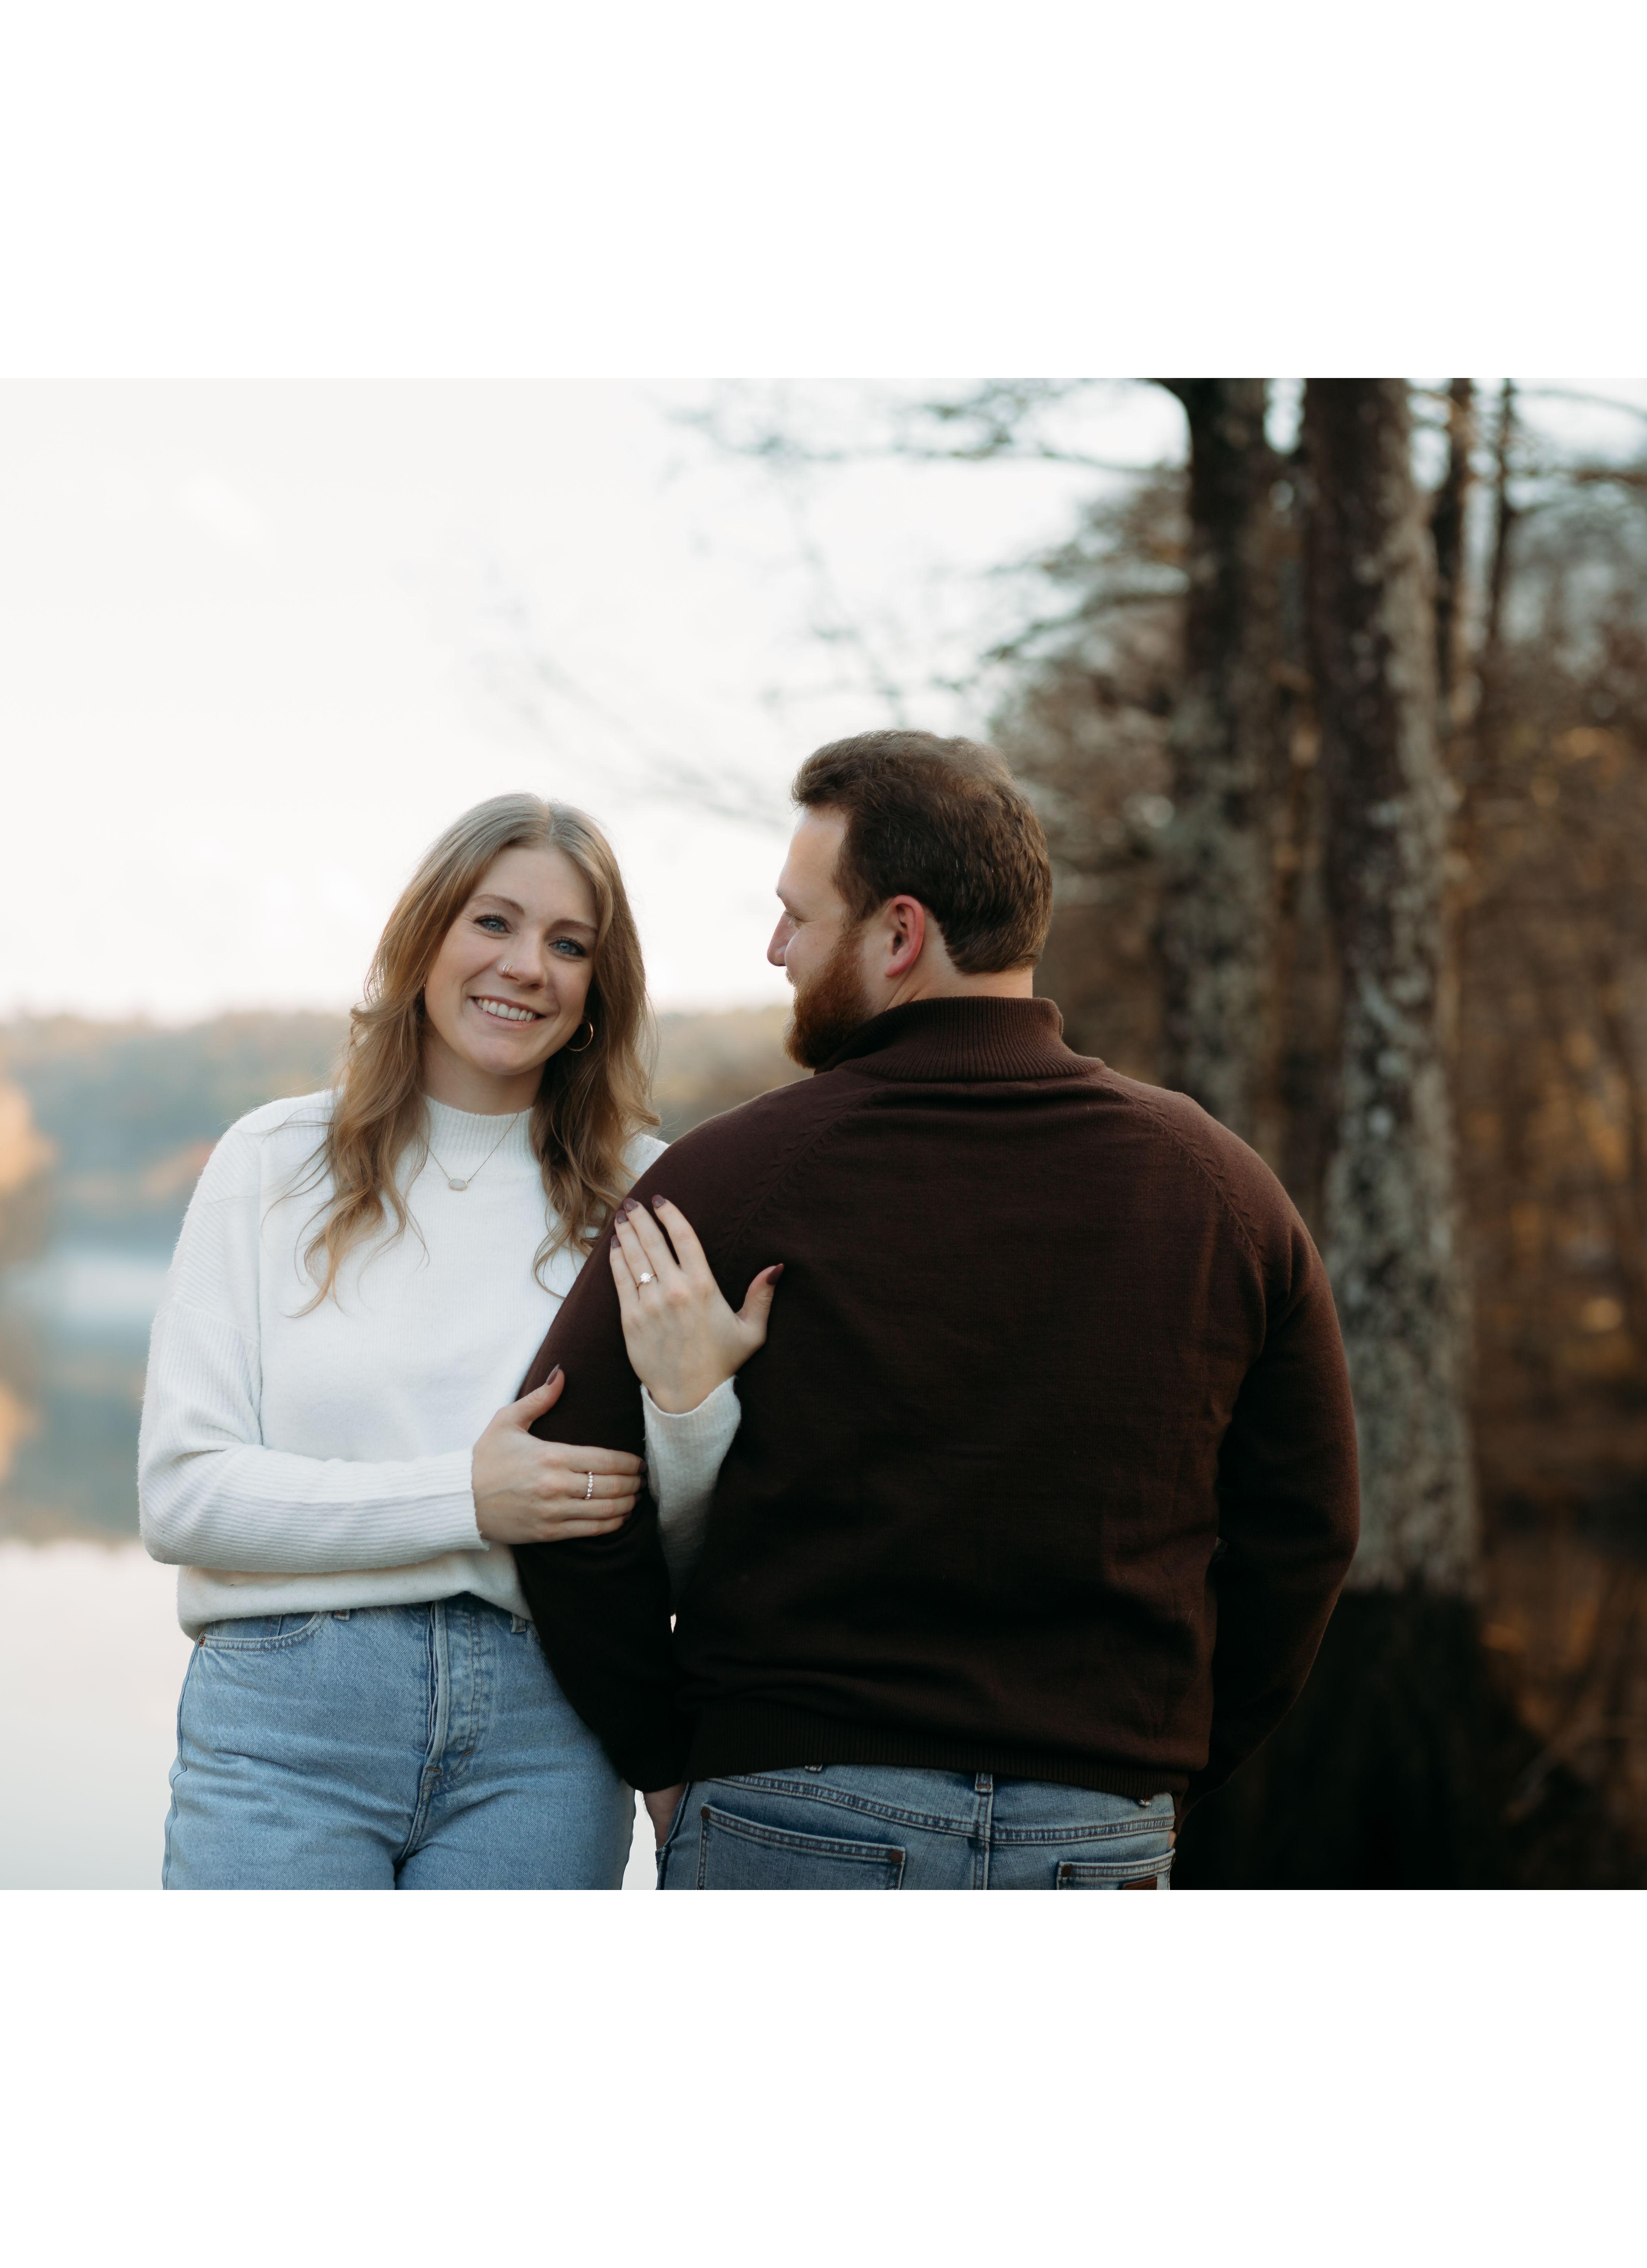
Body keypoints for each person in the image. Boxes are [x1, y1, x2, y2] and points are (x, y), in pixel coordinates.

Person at [513, 729, 1363, 1889]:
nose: (776, 949)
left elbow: (562, 1488)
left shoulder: (727, 1180)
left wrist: (663, 1753)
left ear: (900, 935)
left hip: (788, 1808)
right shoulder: (1221, 1188)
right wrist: (1161, 1757)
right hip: (1098, 1824)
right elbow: (1307, 1531)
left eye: (799, 917)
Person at [138, 793, 773, 1888]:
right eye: (493, 922)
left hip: (549, 1730)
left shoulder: (649, 1195)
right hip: (290, 1719)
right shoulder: (273, 1160)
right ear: (425, 937)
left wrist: (692, 1409)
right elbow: (184, 1498)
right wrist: (467, 1500)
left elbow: (675, 1559)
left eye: (569, 945)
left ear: (598, 990)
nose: (526, 966)